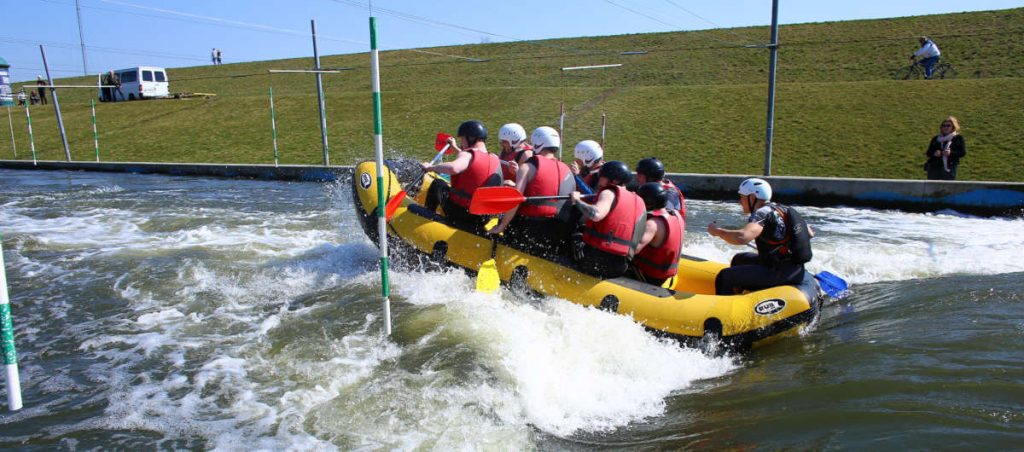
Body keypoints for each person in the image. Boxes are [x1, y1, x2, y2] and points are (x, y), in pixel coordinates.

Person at [707, 178, 814, 295]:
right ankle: (743, 296)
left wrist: (718, 231)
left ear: (752, 197)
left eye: (742, 197)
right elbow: (809, 233)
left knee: (724, 276)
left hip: (778, 271)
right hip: (793, 269)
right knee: (739, 259)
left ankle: (726, 310)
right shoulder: (783, 209)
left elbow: (742, 237)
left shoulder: (762, 213)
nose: (739, 202)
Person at [488, 126, 575, 257]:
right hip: (558, 232)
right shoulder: (568, 172)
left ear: (537, 143)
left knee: (502, 223)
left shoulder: (528, 167)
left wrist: (502, 226)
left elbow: (515, 200)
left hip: (531, 228)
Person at [570, 161, 647, 279]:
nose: (599, 181)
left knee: (574, 234)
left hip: (598, 261)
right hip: (621, 264)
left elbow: (595, 214)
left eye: (602, 178)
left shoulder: (608, 192)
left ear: (614, 181)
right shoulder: (640, 201)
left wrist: (577, 200)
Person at [422, 120, 502, 231]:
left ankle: (424, 217)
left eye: (462, 139)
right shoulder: (495, 158)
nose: (461, 143)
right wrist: (454, 147)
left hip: (461, 213)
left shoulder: (468, 154)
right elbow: (471, 160)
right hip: (482, 217)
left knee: (438, 184)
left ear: (471, 138)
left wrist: (430, 168)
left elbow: (454, 168)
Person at [632, 182, 686, 286]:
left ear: (647, 203)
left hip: (649, 277)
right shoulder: (677, 215)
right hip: (667, 274)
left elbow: (632, 250)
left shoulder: (652, 225)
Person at [923, 116, 966, 180]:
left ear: (953, 127)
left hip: (949, 168)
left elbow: (962, 152)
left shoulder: (958, 138)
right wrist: (934, 153)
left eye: (948, 125)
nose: (945, 127)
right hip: (934, 168)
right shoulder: (936, 139)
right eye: (943, 125)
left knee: (947, 188)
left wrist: (950, 153)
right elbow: (928, 153)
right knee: (932, 188)